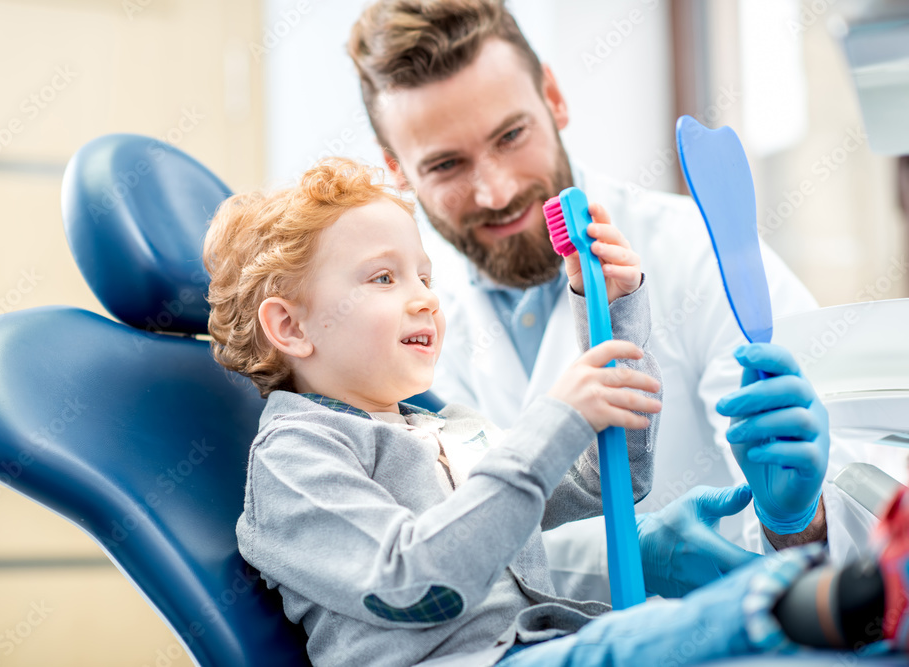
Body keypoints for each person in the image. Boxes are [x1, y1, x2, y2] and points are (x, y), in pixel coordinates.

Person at [202, 158, 903, 666]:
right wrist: (559, 414)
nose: (423, 298)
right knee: (628, 647)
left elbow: (608, 479)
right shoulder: (296, 458)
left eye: (425, 275)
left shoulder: (433, 426)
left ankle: (842, 607)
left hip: (542, 644)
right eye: (384, 277)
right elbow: (417, 586)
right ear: (290, 327)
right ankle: (835, 595)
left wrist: (613, 312)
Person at [345, 0, 876, 591]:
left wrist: (800, 519)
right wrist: (621, 556)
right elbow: (439, 556)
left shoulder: (698, 252)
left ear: (554, 97)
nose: (495, 191)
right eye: (446, 164)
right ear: (397, 170)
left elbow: (866, 519)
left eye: (511, 135)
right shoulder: (405, 334)